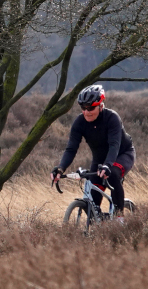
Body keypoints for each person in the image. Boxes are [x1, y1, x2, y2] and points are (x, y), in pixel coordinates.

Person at [51, 84, 135, 217]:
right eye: (83, 108)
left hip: (122, 154)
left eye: (90, 108)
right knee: (92, 204)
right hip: (99, 159)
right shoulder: (79, 122)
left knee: (112, 174)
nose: (86, 112)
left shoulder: (112, 118)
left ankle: (120, 219)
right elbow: (71, 148)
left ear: (101, 105)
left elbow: (114, 145)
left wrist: (108, 165)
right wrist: (61, 168)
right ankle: (96, 224)